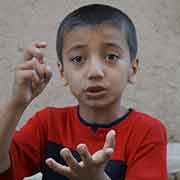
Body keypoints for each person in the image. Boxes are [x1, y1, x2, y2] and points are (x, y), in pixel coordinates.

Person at [0, 3, 168, 180]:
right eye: (78, 58)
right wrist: (16, 103)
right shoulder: (48, 124)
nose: (95, 72)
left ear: (133, 69)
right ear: (63, 72)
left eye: (111, 56)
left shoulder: (147, 132)